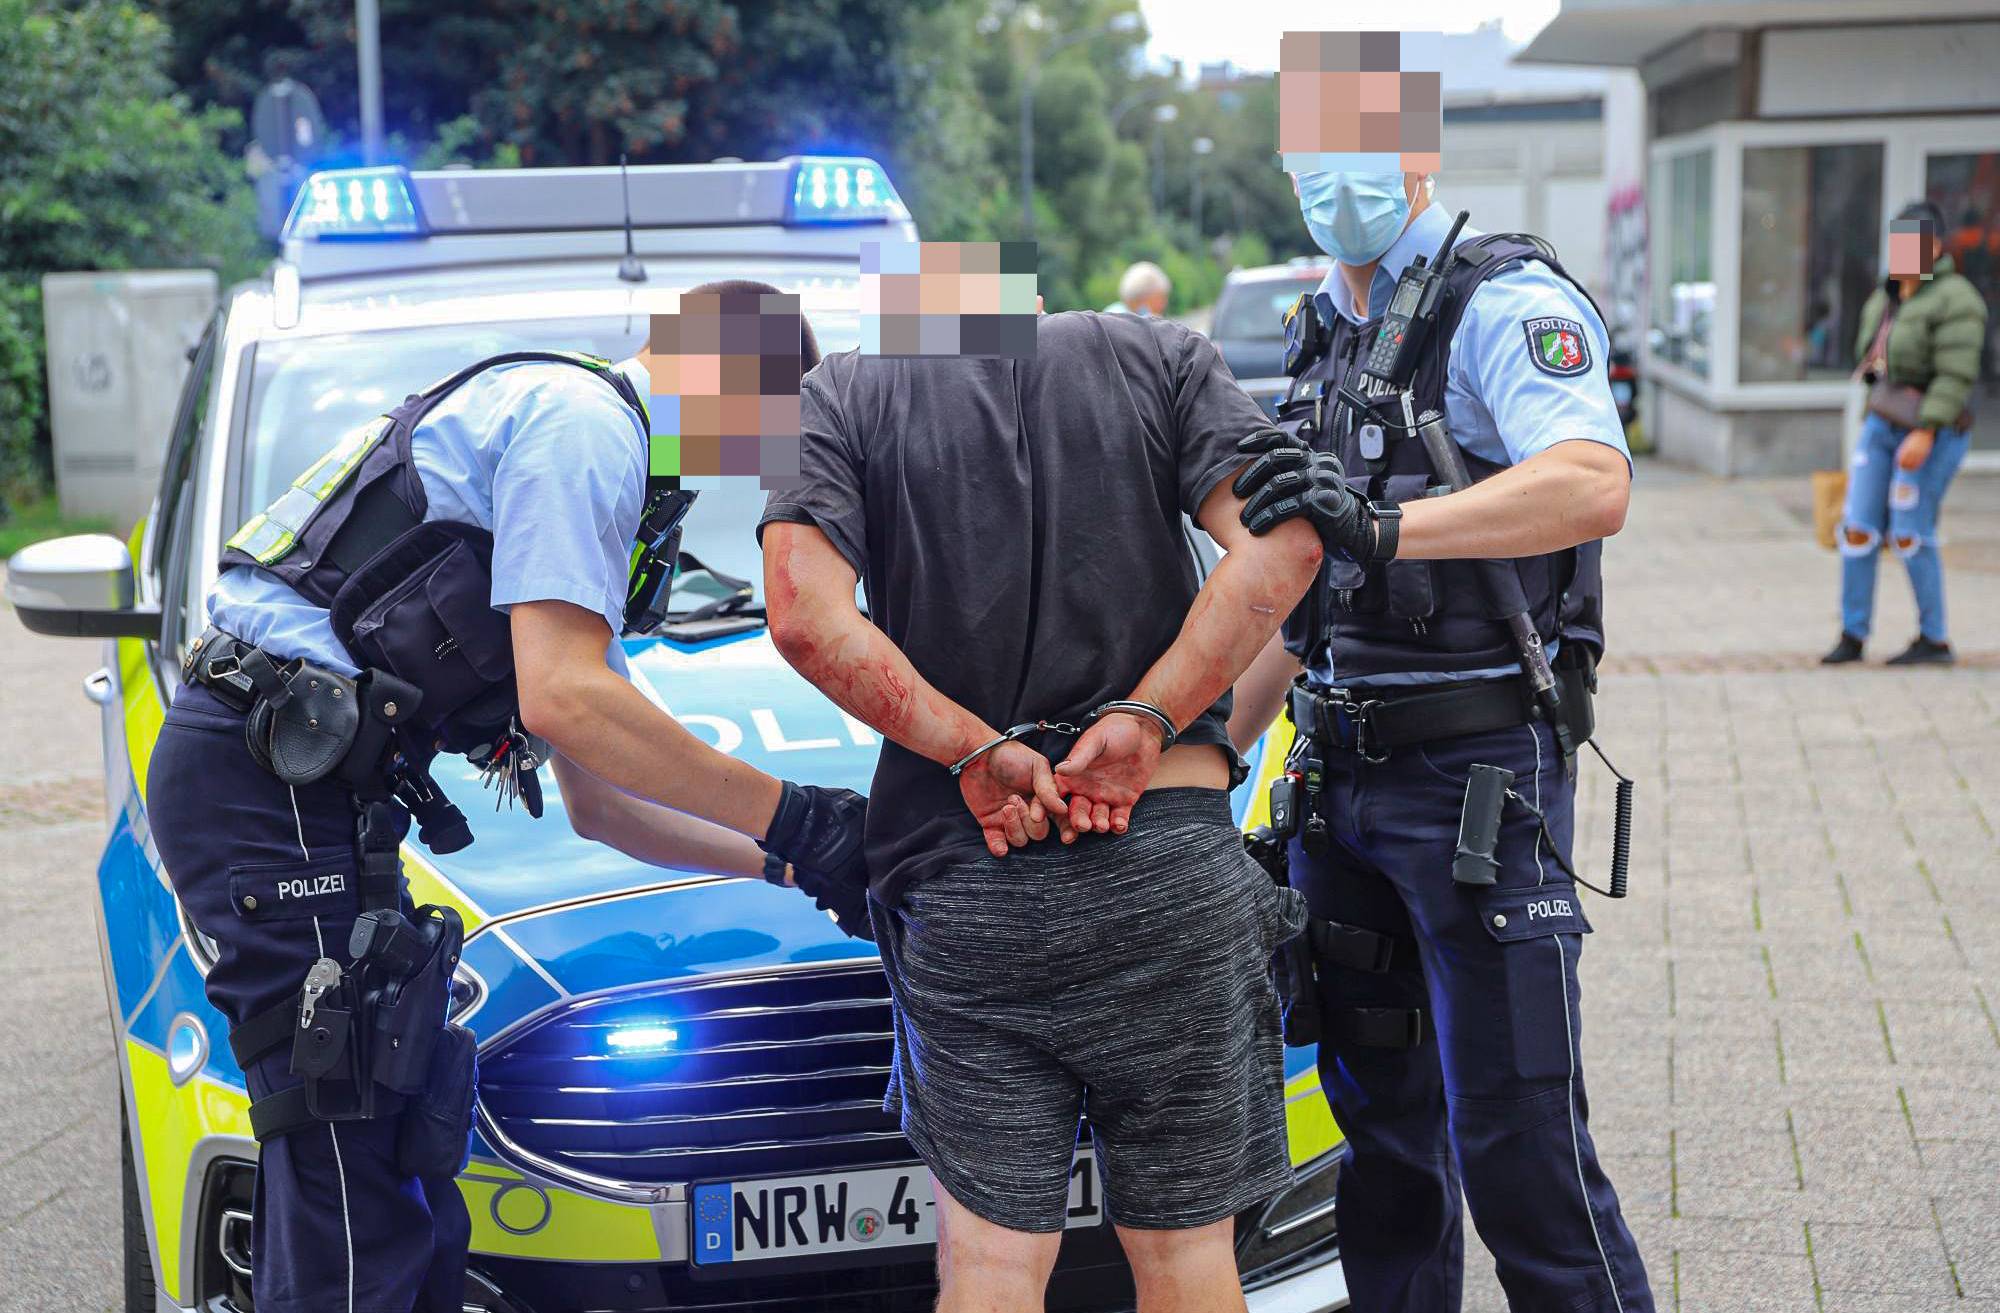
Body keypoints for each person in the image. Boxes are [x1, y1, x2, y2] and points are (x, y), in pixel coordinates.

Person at [146, 282, 869, 1313]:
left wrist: (788, 859)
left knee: (403, 1143)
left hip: (308, 788)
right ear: (733, 388)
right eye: (770, 436)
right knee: (350, 1170)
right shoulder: (583, 430)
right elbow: (565, 697)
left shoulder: (589, 451)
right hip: (267, 778)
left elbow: (602, 801)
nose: (753, 467)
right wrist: (794, 809)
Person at [758, 309, 1321, 1312]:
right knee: (1188, 1253)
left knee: (989, 1264)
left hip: (970, 878)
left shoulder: (838, 392)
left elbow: (804, 616)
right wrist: (1149, 715)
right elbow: (1288, 546)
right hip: (1168, 872)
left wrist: (970, 748)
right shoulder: (1162, 354)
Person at [1227, 166, 1655, 1311]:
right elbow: (1305, 600)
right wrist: (1201, 753)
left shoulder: (1499, 301)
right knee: (1383, 1160)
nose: (1332, 171)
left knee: (1521, 1151)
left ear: (1414, 146)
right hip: (1336, 789)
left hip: (1475, 785)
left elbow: (1590, 481)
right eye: (1307, 146)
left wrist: (1386, 526)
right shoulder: (1322, 329)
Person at [1823, 200, 1988, 667]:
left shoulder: (1957, 299)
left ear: (1935, 247)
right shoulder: (1888, 295)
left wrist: (1927, 430)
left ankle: (1934, 639)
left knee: (1910, 533)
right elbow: (1867, 355)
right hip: (1882, 423)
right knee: (1857, 528)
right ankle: (1852, 634)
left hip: (1931, 430)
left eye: (1913, 244)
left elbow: (1956, 374)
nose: (1902, 253)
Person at [1103, 259, 1171, 316]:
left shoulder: (1111, 313)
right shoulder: (1117, 317)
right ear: (1143, 297)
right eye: (1161, 297)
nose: (1164, 303)